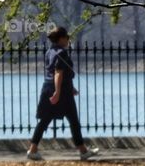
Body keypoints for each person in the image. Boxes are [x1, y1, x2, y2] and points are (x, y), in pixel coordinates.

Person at [26, 26, 99, 161]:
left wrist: (70, 88)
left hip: (50, 88)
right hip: (60, 92)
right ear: (62, 38)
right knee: (73, 121)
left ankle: (33, 150)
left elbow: (58, 73)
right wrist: (58, 92)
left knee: (45, 121)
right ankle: (83, 151)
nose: (68, 40)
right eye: (67, 37)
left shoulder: (49, 52)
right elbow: (58, 73)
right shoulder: (62, 53)